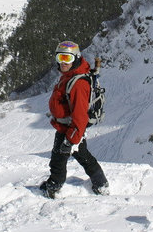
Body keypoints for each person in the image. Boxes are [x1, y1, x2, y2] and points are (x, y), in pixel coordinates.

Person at [39, 41, 109, 198]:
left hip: (70, 129)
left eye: (67, 58)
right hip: (69, 128)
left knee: (58, 159)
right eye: (60, 57)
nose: (63, 62)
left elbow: (80, 115)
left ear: (75, 58)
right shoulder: (70, 75)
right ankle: (100, 183)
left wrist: (71, 140)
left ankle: (53, 187)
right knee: (83, 156)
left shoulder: (78, 84)